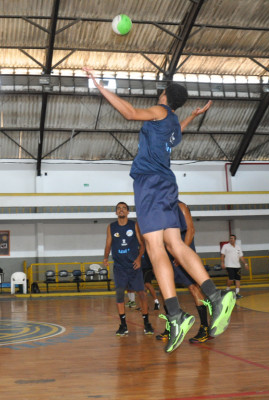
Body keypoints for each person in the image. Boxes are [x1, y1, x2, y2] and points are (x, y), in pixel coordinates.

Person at [85, 67, 235, 353]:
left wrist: (99, 86)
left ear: (165, 95)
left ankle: (177, 315)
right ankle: (216, 298)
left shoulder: (160, 111)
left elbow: (129, 112)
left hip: (150, 184)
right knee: (174, 244)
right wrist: (192, 116)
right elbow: (177, 134)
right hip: (166, 184)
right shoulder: (173, 121)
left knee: (155, 248)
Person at [153, 201, 211, 343]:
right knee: (165, 291)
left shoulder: (180, 206)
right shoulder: (159, 208)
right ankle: (171, 327)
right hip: (168, 253)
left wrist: (181, 254)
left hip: (182, 251)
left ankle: (204, 328)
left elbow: (191, 230)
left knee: (193, 288)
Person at [103, 202, 154, 336]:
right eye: (118, 208)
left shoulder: (134, 225)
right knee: (120, 294)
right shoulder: (111, 227)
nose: (121, 210)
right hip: (119, 267)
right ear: (116, 212)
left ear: (128, 212)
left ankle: (147, 323)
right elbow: (108, 244)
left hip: (134, 266)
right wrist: (105, 257)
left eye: (124, 208)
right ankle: (123, 325)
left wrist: (139, 259)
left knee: (142, 294)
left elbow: (142, 244)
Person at [221, 234, 249, 299]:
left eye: (232, 238)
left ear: (235, 240)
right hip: (229, 265)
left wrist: (245, 264)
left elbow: (241, 256)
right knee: (231, 278)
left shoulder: (238, 247)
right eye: (230, 238)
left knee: (238, 279)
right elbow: (222, 255)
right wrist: (222, 263)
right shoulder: (225, 246)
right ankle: (227, 290)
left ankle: (237, 293)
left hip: (237, 266)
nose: (231, 239)